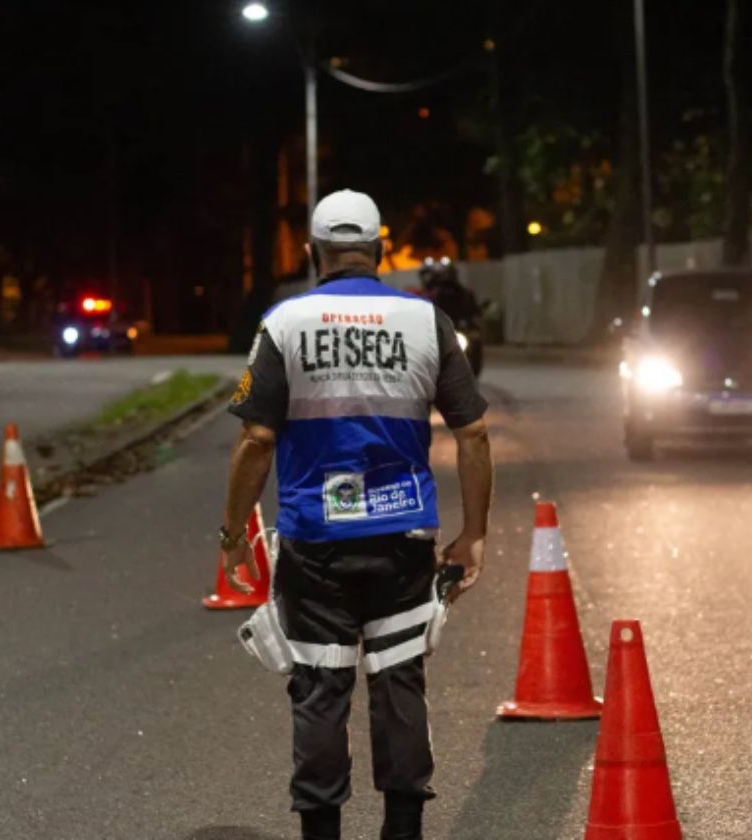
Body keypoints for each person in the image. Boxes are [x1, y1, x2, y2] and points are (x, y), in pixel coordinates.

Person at [218, 189, 493, 840]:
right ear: (376, 251)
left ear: (314, 254)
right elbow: (474, 433)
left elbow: (256, 440)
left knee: (320, 690)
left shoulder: (285, 325)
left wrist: (234, 537)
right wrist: (473, 535)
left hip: (316, 545)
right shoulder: (425, 322)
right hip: (402, 538)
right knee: (399, 684)